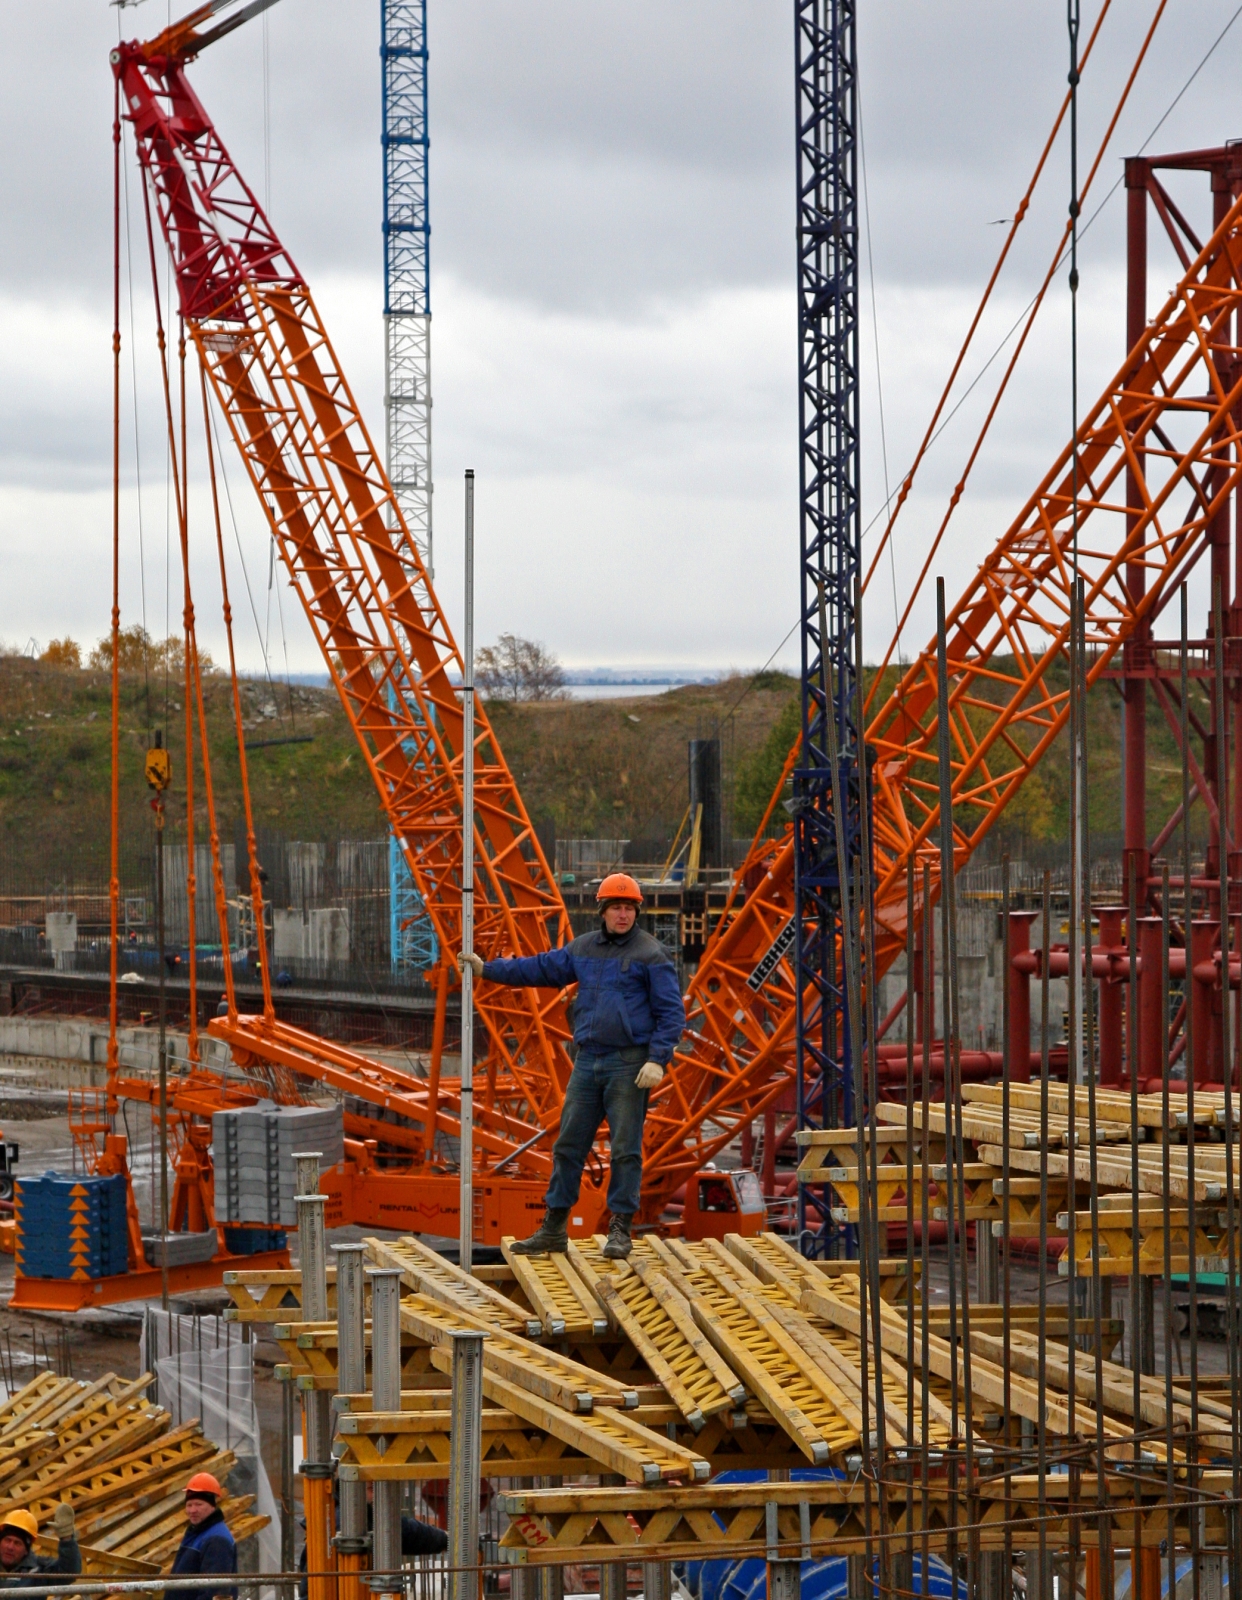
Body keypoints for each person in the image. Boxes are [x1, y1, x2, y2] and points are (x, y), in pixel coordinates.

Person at [459, 872, 685, 1260]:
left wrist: (657, 1059)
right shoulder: (583, 949)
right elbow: (539, 968)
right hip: (588, 1060)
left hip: (628, 1064)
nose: (623, 915)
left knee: (625, 1150)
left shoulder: (651, 954)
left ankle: (620, 1230)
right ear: (603, 911)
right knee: (568, 1146)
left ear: (636, 912)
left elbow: (672, 1013)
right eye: (616, 908)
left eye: (629, 908)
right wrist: (487, 969)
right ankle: (554, 1228)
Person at [170, 1474, 237, 1600]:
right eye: (189, 1505)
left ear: (212, 1506)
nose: (192, 1510)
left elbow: (213, 1593)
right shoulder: (197, 1533)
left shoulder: (217, 1540)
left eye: (198, 1504)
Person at [0, 1506, 79, 1590]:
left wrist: (66, 1538)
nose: (10, 1547)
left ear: (26, 1550)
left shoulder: (38, 1570)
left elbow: (68, 1572)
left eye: (17, 1543)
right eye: (7, 1540)